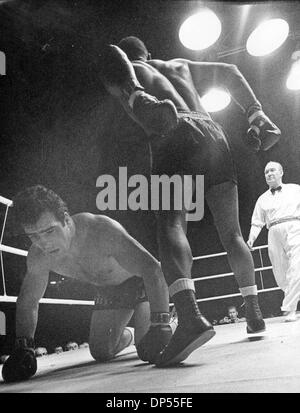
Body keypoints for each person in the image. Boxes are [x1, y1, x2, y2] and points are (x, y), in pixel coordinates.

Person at [100, 36, 281, 366]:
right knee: (233, 234)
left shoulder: (134, 69)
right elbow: (229, 69)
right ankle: (254, 309)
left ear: (127, 59)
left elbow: (114, 68)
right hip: (212, 132)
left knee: (169, 222)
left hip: (172, 133)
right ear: (149, 52)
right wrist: (255, 113)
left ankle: (189, 316)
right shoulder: (178, 65)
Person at [1, 185, 172, 383]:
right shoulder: (39, 256)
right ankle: (131, 335)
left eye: (49, 231)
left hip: (141, 282)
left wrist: (160, 323)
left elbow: (152, 269)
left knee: (148, 350)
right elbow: (29, 301)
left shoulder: (101, 230)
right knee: (101, 352)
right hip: (108, 290)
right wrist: (24, 348)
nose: (44, 243)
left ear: (66, 219)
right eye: (34, 236)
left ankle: (170, 321)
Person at [247, 161, 300, 322]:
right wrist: (251, 238)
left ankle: (289, 308)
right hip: (273, 232)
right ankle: (292, 298)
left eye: (272, 170)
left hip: (294, 226)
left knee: (297, 266)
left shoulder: (295, 189)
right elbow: (257, 222)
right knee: (280, 272)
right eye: (266, 172)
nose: (269, 174)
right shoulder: (262, 199)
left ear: (281, 172)